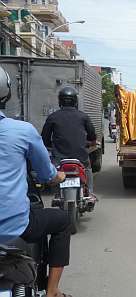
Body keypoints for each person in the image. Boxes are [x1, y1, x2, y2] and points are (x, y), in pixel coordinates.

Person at [0, 66, 72, 297]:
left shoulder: (50, 119)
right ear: (7, 93)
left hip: (58, 154)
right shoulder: (21, 131)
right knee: (62, 221)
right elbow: (47, 175)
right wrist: (57, 176)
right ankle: (52, 291)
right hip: (15, 225)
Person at [41, 86, 97, 197]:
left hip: (59, 158)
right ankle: (90, 192)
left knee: (53, 171)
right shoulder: (83, 117)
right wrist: (91, 142)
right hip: (80, 157)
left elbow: (44, 138)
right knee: (88, 169)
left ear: (60, 101)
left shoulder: (53, 117)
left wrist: (50, 146)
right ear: (75, 101)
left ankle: (56, 191)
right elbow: (92, 135)